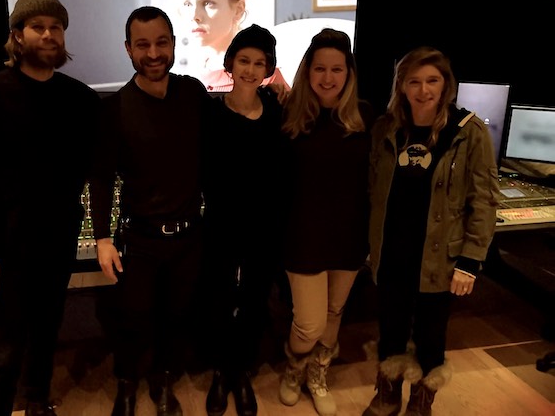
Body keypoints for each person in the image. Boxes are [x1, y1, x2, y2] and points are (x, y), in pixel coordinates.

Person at [0, 0, 102, 416]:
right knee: (6, 350)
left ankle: (36, 401)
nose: (49, 35)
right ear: (17, 36)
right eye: (38, 27)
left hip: (57, 243)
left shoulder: (80, 99)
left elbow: (96, 164)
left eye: (56, 27)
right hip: (7, 248)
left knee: (46, 331)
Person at [362, 46, 500, 416]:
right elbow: (372, 189)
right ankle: (387, 395)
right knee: (390, 329)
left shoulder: (468, 133)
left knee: (430, 337)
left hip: (440, 259)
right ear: (402, 86)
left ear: (445, 85)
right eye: (415, 81)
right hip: (391, 253)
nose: (424, 90)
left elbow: (484, 200)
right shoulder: (385, 128)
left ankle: (421, 405)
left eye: (432, 81)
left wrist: (470, 262)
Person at [89, 6, 211, 416]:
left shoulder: (194, 94)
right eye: (143, 44)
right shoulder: (115, 109)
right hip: (139, 239)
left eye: (162, 42)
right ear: (128, 50)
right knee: (133, 320)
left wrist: (272, 93)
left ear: (174, 44)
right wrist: (102, 238)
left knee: (176, 318)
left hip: (190, 236)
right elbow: (101, 178)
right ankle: (127, 382)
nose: (154, 53)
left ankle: (162, 382)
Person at [278, 28, 374, 416]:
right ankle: (293, 367)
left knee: (335, 314)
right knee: (309, 324)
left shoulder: (366, 116)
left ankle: (317, 375)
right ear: (307, 70)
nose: (328, 77)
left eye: (337, 69)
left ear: (349, 73)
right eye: (320, 68)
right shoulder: (288, 116)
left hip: (349, 238)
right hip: (302, 239)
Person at [200, 24, 287, 416]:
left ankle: (243, 372)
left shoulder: (277, 115)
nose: (251, 69)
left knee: (254, 302)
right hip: (220, 227)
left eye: (259, 63)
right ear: (230, 63)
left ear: (268, 68)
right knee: (218, 300)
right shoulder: (211, 114)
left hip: (264, 229)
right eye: (244, 60)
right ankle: (222, 370)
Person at [179, 0, 289, 92]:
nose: (194, 15)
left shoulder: (267, 80)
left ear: (238, 10)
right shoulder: (190, 77)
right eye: (188, 4)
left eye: (208, 3)